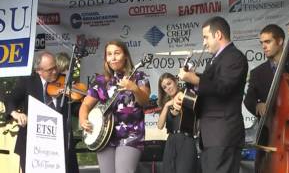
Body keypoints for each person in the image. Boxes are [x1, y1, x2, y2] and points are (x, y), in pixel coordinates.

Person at [173, 16, 248, 173]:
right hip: (210, 136)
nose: (204, 42)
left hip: (223, 134)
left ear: (218, 35)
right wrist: (190, 84)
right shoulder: (215, 59)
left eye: (206, 37)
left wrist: (196, 79)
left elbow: (223, 87)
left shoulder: (234, 56)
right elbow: (208, 88)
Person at [243, 24, 289, 172]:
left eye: (268, 42)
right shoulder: (257, 73)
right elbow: (248, 99)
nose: (264, 46)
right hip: (267, 135)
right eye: (262, 43)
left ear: (280, 41)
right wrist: (257, 105)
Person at [79, 40, 150, 173]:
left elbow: (145, 102)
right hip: (104, 137)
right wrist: (83, 120)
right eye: (109, 54)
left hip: (130, 135)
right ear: (106, 58)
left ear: (125, 56)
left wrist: (134, 88)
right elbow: (86, 105)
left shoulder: (139, 77)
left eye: (117, 53)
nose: (113, 57)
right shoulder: (101, 81)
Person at [5, 51, 79, 173]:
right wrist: (16, 114)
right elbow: (10, 100)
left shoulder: (65, 81)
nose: (55, 72)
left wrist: (79, 99)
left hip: (60, 145)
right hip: (33, 146)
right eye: (50, 70)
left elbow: (76, 108)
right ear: (39, 70)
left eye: (55, 67)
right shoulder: (27, 82)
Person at [157, 73, 197, 173]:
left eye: (169, 83)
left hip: (186, 139)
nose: (168, 88)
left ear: (176, 81)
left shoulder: (187, 95)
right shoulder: (167, 103)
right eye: (164, 87)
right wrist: (166, 106)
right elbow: (160, 125)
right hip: (171, 141)